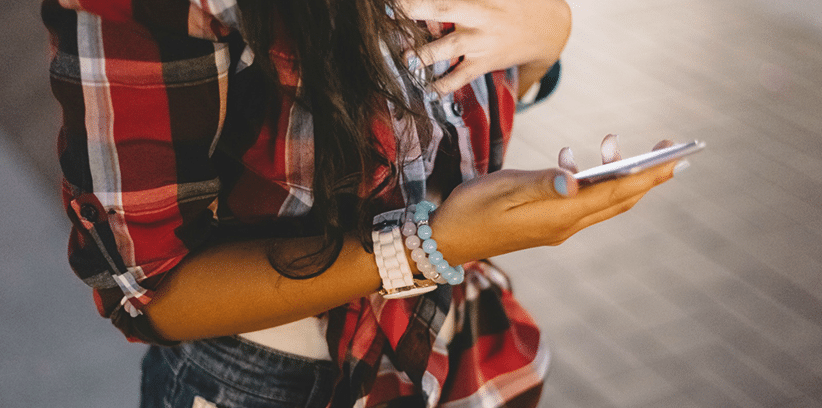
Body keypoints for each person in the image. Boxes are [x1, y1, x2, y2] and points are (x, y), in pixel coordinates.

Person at [43, 0, 677, 406]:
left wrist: (547, 36)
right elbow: (154, 291)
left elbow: (469, 93)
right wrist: (438, 245)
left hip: (453, 344)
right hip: (266, 377)